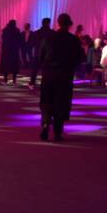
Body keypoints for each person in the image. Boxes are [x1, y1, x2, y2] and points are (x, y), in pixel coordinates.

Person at [39, 13, 85, 142]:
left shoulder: (49, 38)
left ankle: (46, 122)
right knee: (61, 102)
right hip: (65, 75)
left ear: (58, 23)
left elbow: (40, 56)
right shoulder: (74, 40)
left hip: (49, 75)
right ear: (69, 24)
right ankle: (58, 132)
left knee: (47, 100)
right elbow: (80, 58)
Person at [0, 19, 21, 85]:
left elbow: (3, 39)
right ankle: (14, 80)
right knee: (14, 65)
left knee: (6, 65)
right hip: (14, 50)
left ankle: (5, 79)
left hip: (6, 50)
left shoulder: (5, 30)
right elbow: (19, 39)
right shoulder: (17, 30)